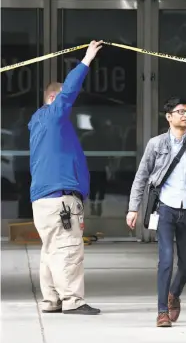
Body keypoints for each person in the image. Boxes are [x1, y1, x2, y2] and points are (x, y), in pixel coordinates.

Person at [126, 97, 186, 327]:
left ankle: (174, 294)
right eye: (180, 112)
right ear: (169, 117)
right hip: (165, 209)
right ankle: (161, 312)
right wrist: (133, 208)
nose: (185, 115)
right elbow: (141, 177)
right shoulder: (156, 144)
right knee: (166, 260)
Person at [28, 40, 103, 315]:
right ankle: (73, 300)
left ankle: (52, 300)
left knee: (50, 252)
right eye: (61, 100)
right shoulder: (54, 116)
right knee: (69, 249)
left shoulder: (39, 122)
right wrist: (86, 59)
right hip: (60, 200)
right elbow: (69, 91)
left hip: (43, 200)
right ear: (52, 99)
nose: (69, 105)